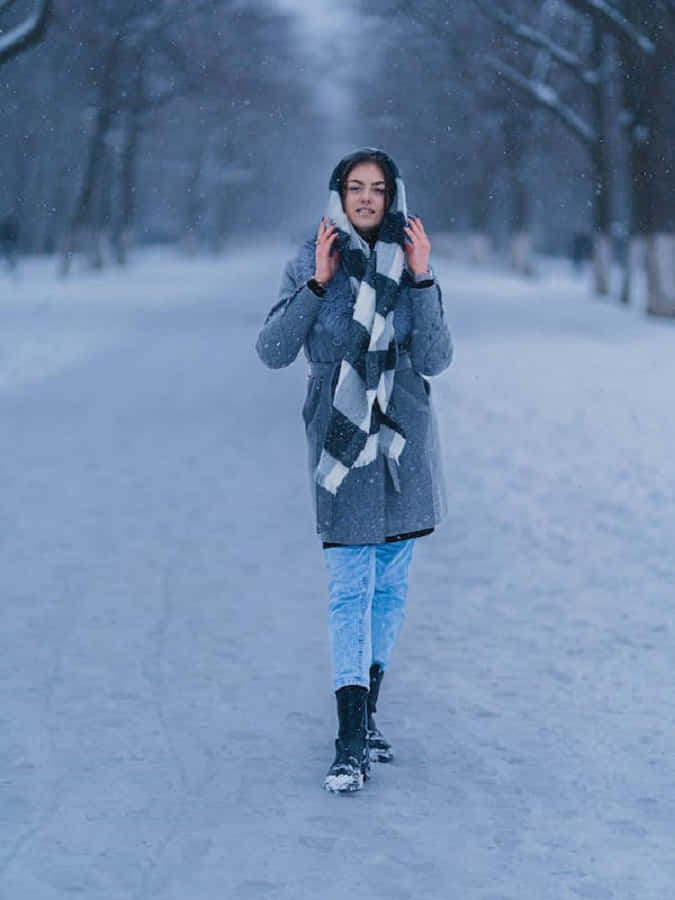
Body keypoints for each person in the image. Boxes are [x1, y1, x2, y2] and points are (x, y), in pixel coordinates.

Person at [255, 148, 453, 792]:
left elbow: (435, 357)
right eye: (354, 187)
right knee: (349, 586)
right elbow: (273, 351)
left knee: (390, 588)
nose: (366, 198)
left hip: (401, 443)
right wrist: (316, 282)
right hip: (341, 444)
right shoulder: (311, 260)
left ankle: (367, 718)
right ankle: (348, 740)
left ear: (393, 196)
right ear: (338, 195)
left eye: (378, 188)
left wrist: (421, 279)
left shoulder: (413, 262)